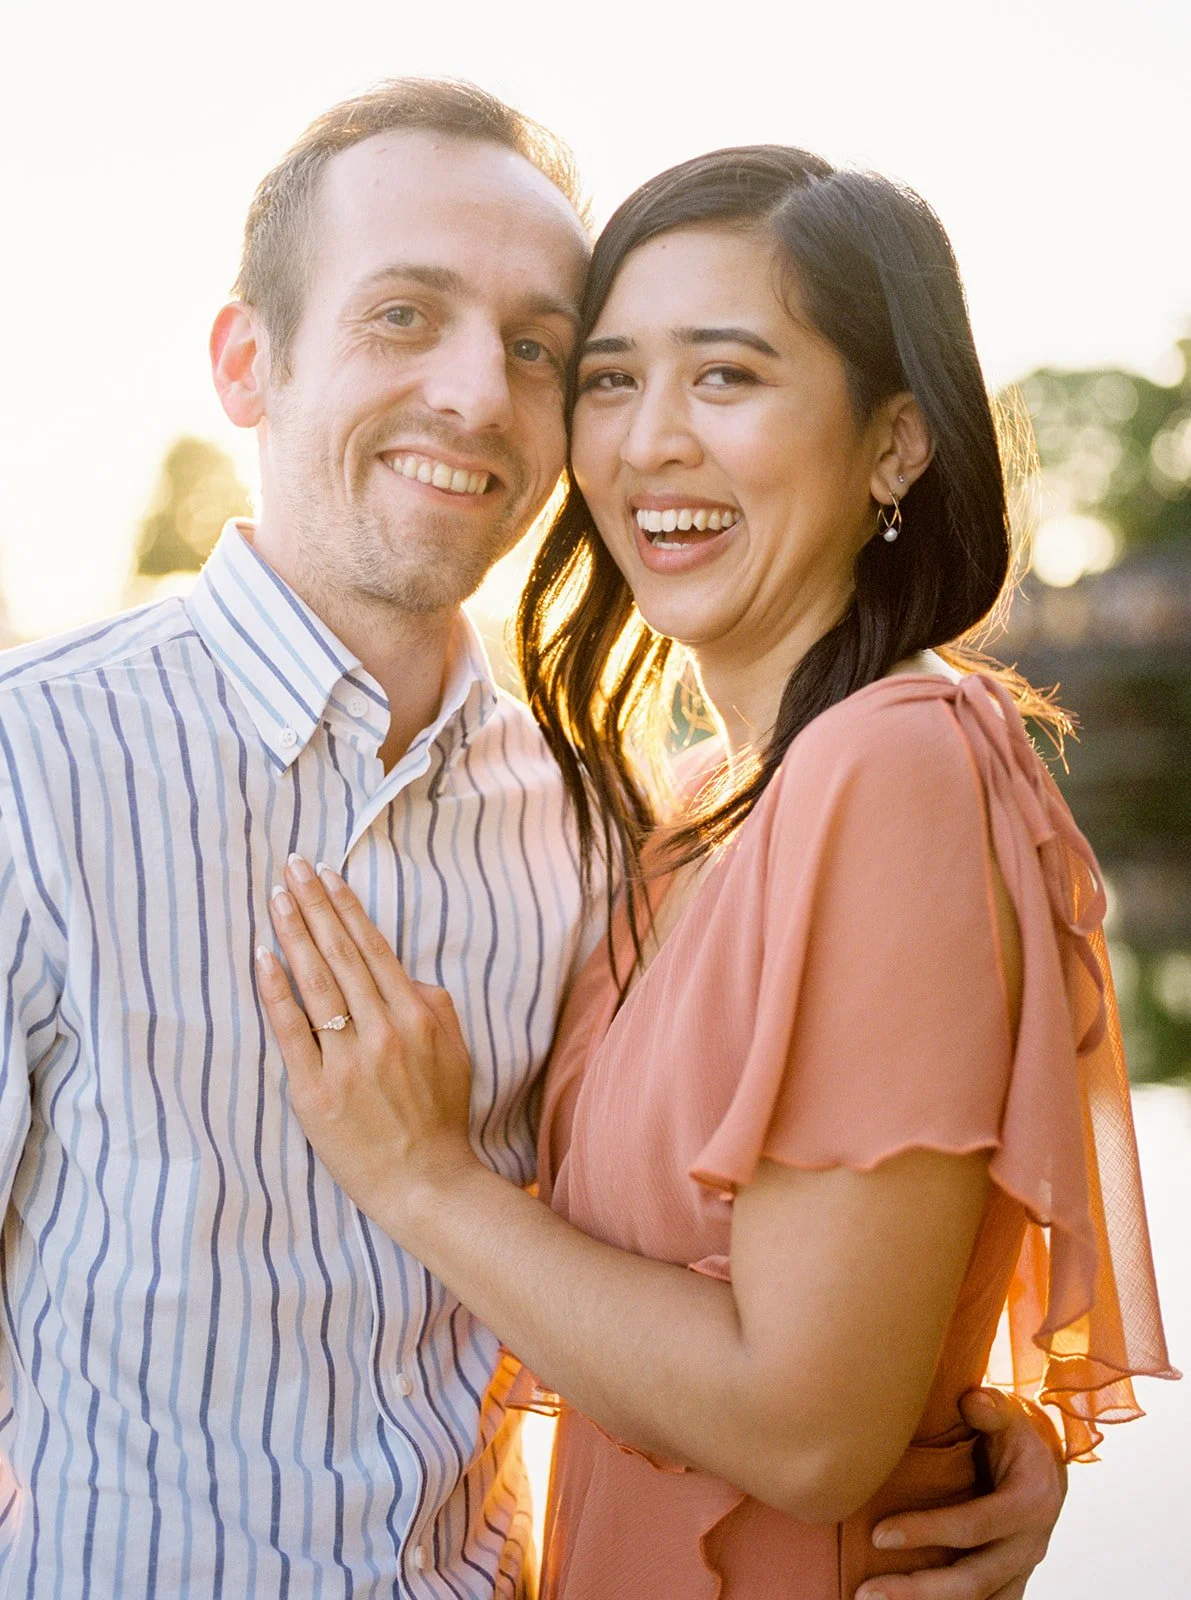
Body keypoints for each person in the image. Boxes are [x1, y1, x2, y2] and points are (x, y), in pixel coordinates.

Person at [0, 82, 1065, 1598]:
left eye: (534, 350)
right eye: (401, 318)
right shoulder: (27, 765)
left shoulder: (591, 817)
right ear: (249, 362)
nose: (474, 398)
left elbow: (732, 1305)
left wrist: (930, 1429)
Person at [257, 143, 1178, 1598]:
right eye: (610, 379)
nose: (648, 443)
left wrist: (422, 1179)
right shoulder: (692, 815)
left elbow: (805, 1432)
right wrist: (953, 1416)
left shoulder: (897, 765)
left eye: (728, 376)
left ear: (894, 441)